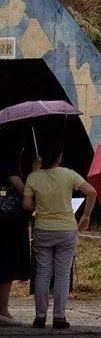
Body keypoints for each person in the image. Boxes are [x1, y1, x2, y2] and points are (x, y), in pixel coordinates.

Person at [22, 138, 96, 329]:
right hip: (66, 229)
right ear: (60, 157)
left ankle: (40, 317)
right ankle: (59, 317)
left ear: (40, 158)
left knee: (42, 273)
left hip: (43, 229)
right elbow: (92, 192)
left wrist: (38, 202)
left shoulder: (33, 178)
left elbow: (26, 205)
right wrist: (86, 215)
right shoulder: (69, 174)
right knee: (62, 274)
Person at [0, 134, 30, 326]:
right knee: (5, 266)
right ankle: (3, 310)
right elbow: (24, 190)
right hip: (7, 224)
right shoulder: (8, 166)